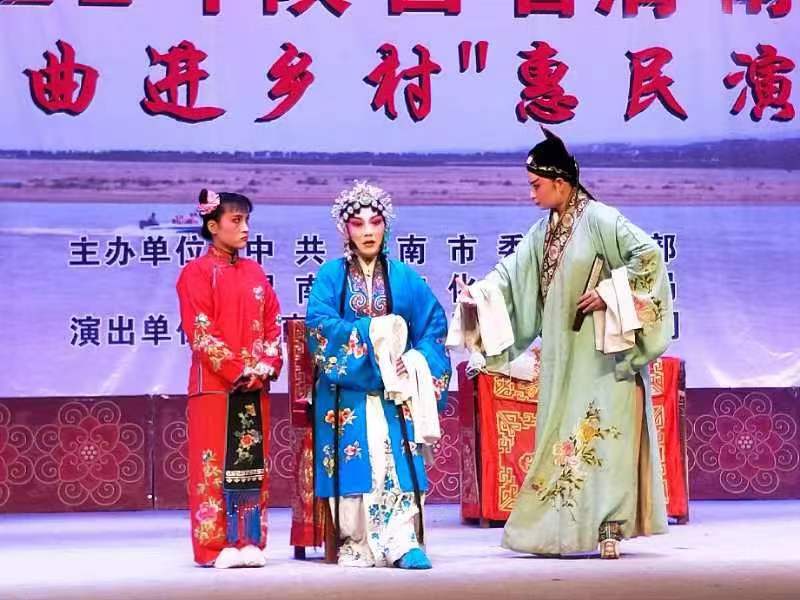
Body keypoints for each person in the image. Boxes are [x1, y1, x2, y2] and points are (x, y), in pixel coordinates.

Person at [456, 128, 673, 559]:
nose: (531, 194)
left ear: (561, 183)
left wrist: (610, 292)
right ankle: (560, 530)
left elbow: (648, 256)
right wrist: (478, 296)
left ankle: (610, 526)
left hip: (602, 356)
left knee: (604, 435)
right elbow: (511, 274)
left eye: (536, 185)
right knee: (562, 436)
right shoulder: (544, 231)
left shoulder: (601, 219)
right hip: (563, 353)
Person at [305, 181, 451, 569]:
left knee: (393, 450)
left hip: (395, 391)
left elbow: (434, 327)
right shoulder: (330, 276)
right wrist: (371, 336)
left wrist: (415, 361)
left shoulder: (405, 278)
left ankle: (402, 539)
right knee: (361, 449)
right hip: (346, 389)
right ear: (345, 229)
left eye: (376, 222)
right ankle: (356, 540)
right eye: (358, 223)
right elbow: (319, 326)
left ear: (387, 225)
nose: (368, 231)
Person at [176, 189, 283, 568]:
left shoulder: (255, 272)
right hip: (215, 387)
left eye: (247, 220)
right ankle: (213, 546)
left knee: (252, 466)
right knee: (213, 466)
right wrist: (239, 370)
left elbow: (273, 323)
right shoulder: (195, 274)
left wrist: (266, 365)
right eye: (236, 221)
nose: (245, 228)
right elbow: (201, 333)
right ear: (212, 226)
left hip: (254, 386)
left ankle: (249, 540)